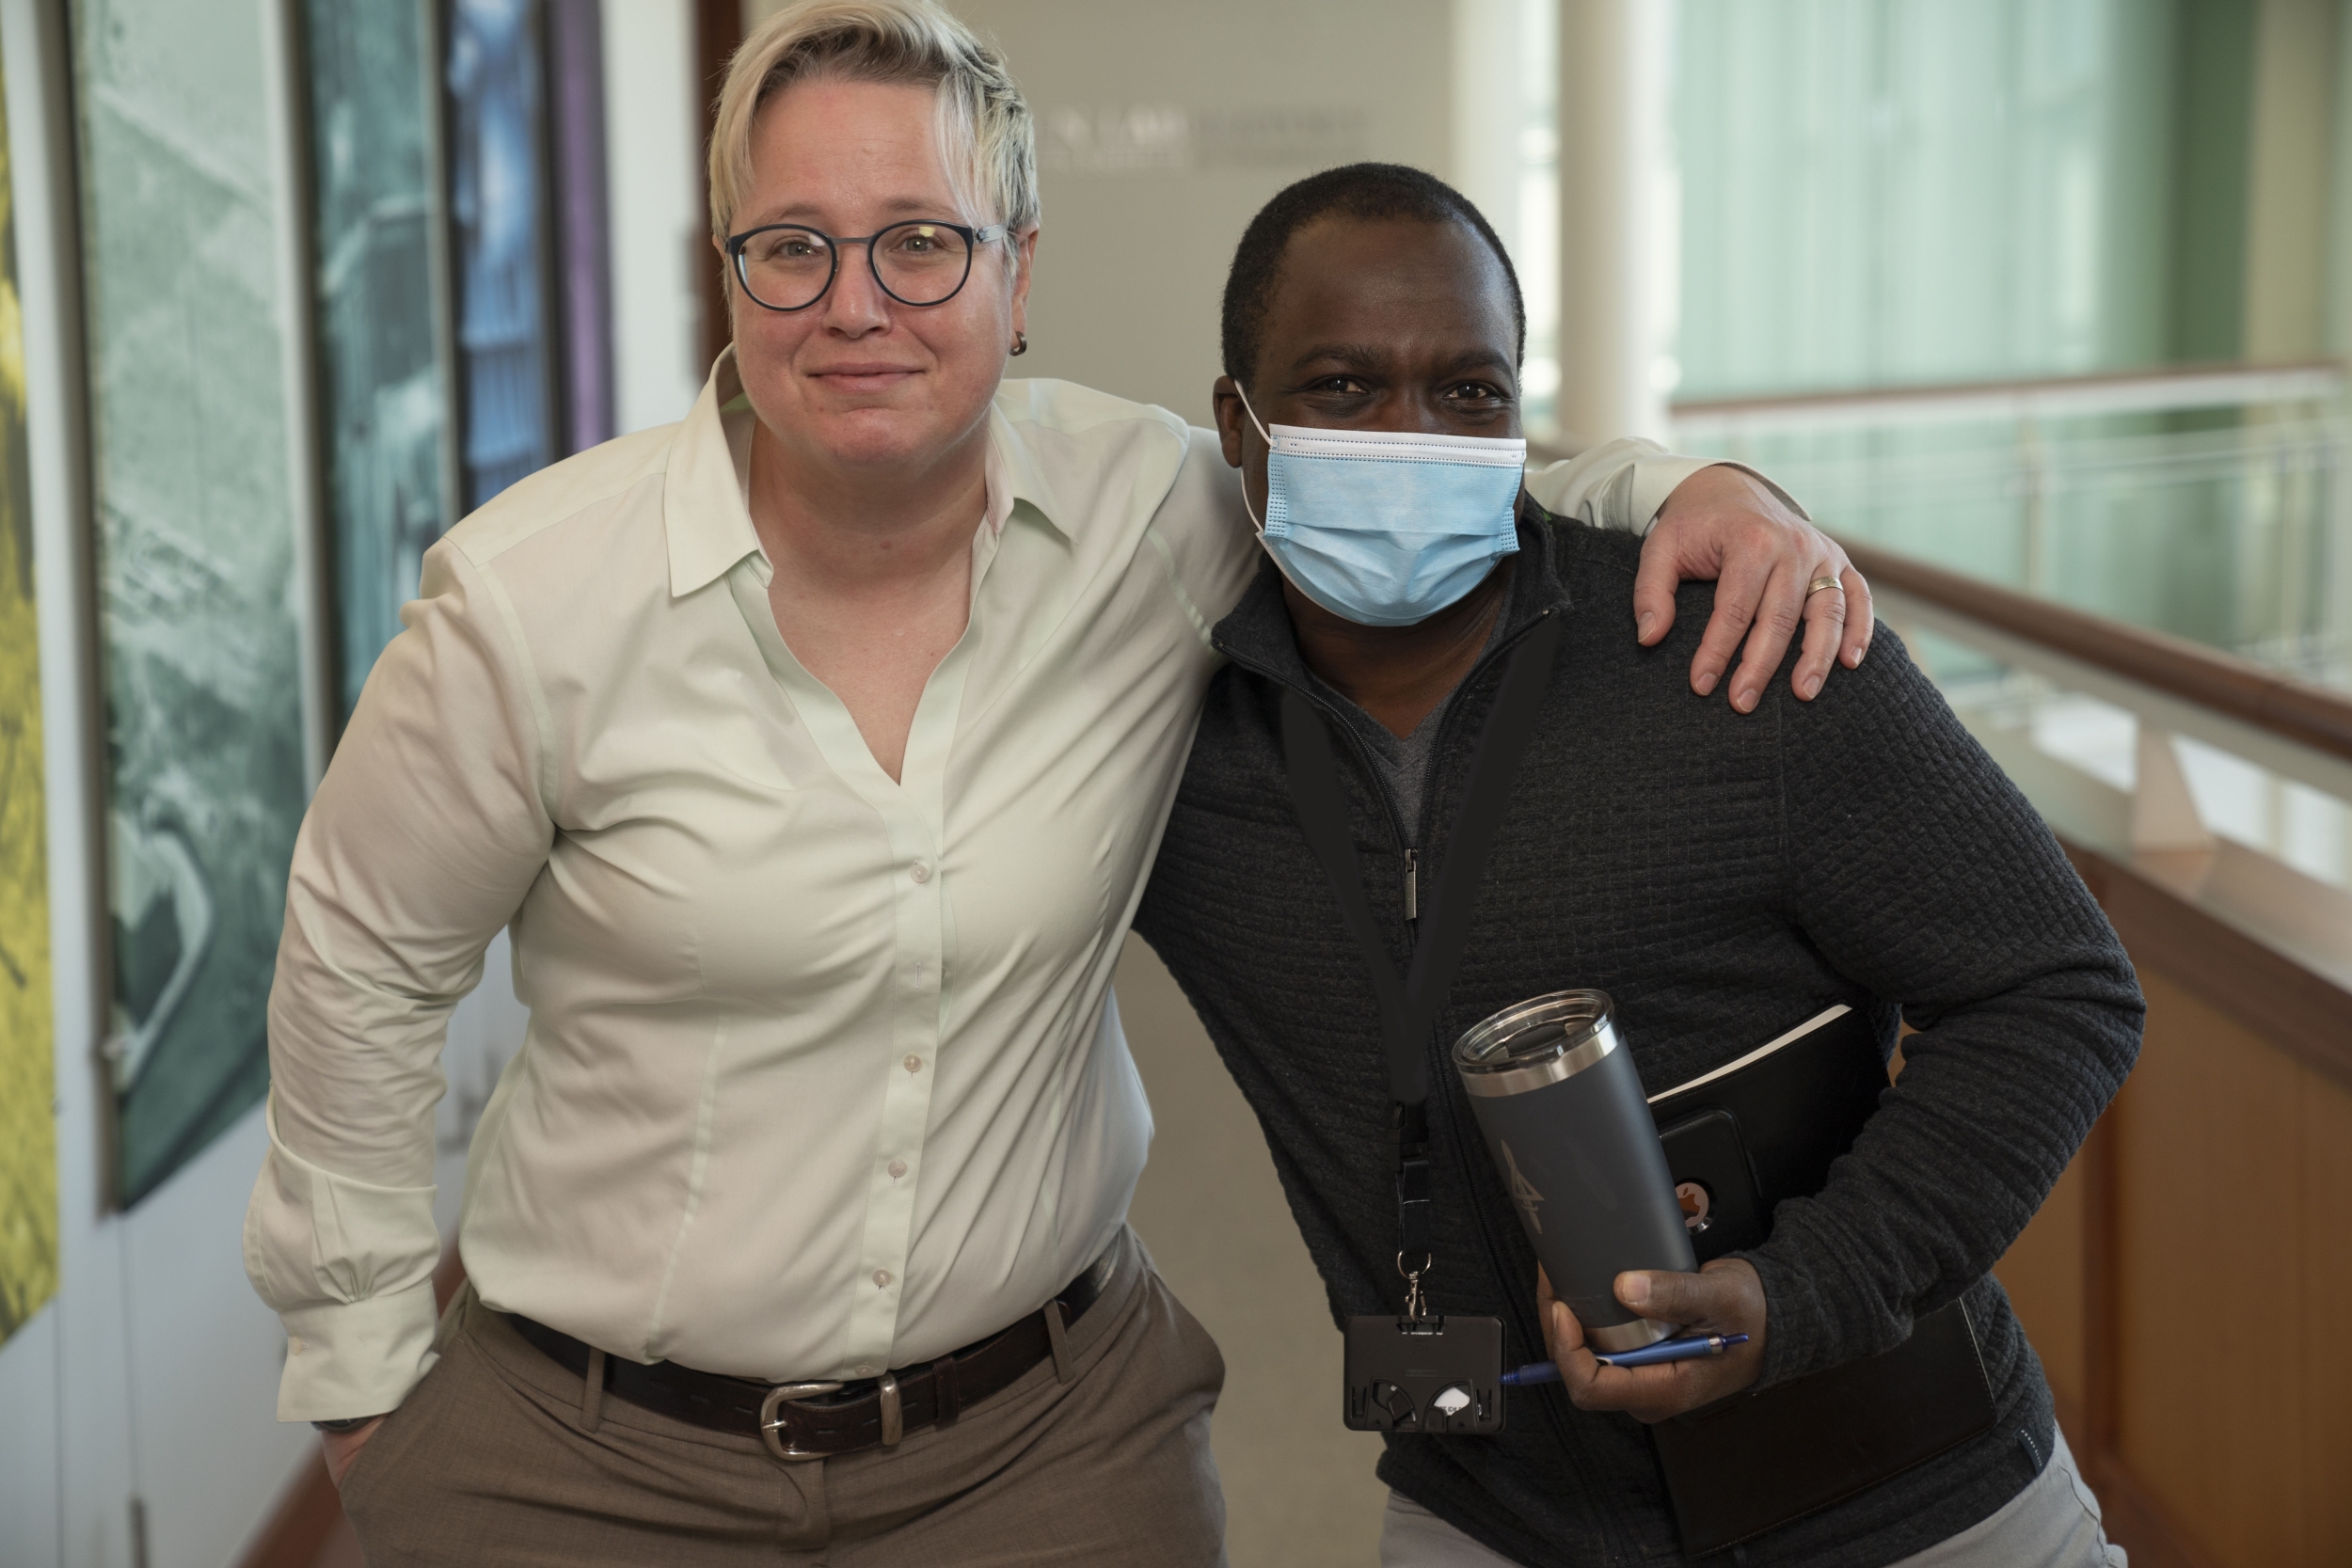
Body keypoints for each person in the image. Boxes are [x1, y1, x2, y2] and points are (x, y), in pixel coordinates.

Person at [242, 5, 1873, 1564]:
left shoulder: (1146, 514)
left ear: (1017, 278)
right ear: (728, 281)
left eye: (923, 240)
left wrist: (1696, 484)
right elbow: (360, 968)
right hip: (590, 1464)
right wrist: (365, 1387)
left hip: (1041, 1447)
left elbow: (1408, 471)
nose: (856, 303)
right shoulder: (531, 600)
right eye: (793, 245)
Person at [1132, 163, 2142, 1568]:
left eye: (1470, 394)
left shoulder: (1738, 649)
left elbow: (2060, 988)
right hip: (1491, 1512)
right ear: (1237, 428)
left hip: (1909, 1500)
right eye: (1345, 390)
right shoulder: (1172, 753)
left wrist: (1801, 1294)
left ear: (1521, 420)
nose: (1411, 440)